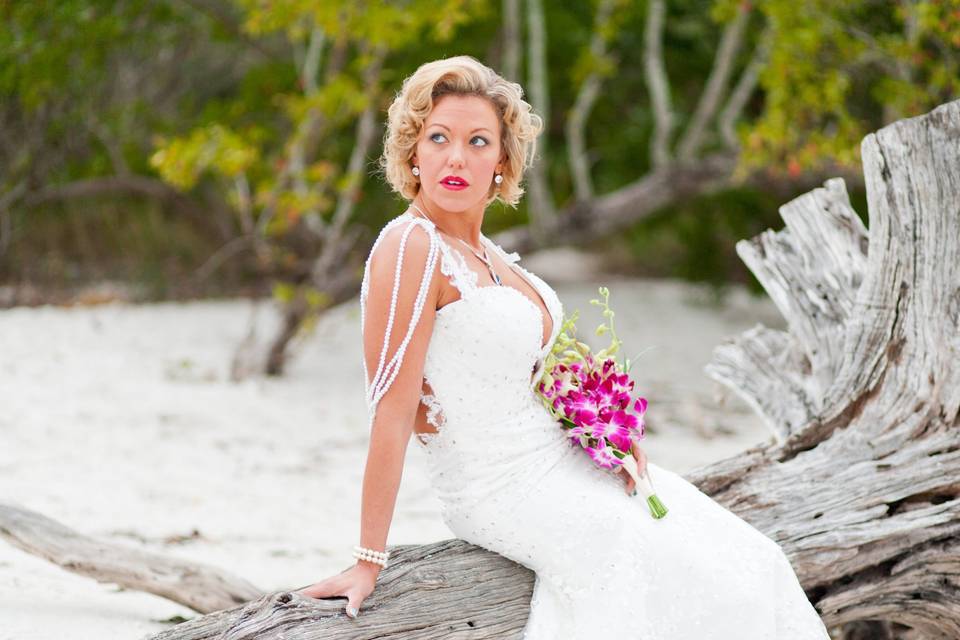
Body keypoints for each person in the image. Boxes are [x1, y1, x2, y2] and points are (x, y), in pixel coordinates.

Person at [298, 55, 831, 638]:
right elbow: (395, 410)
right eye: (439, 137)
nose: (456, 157)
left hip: (563, 459)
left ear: (502, 160)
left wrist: (605, 437)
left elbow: (524, 376)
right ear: (413, 151)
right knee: (637, 560)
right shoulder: (409, 246)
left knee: (753, 561)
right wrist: (368, 560)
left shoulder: (493, 257)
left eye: (478, 141)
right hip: (499, 485)